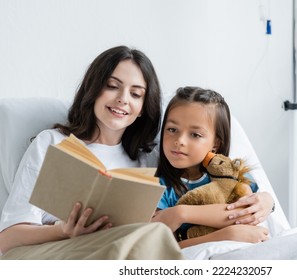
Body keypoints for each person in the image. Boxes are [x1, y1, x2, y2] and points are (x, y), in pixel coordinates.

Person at [0, 45, 183, 260]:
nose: (123, 99)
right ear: (94, 89)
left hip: (114, 250)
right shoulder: (53, 143)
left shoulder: (147, 159)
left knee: (150, 236)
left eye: (135, 94)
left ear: (142, 107)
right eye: (113, 86)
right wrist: (63, 231)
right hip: (45, 252)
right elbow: (7, 238)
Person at [152, 86, 275, 249]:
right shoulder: (159, 187)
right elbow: (168, 248)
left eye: (195, 134)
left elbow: (244, 213)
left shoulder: (229, 174)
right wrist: (224, 235)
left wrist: (180, 213)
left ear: (215, 144)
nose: (179, 140)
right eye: (172, 129)